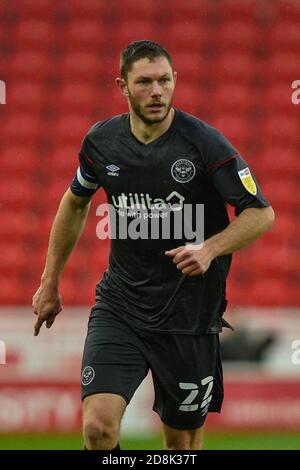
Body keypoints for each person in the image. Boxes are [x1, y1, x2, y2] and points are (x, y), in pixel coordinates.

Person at [32, 40, 275, 450]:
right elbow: (75, 203)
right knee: (97, 429)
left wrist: (209, 249)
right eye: (144, 82)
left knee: (180, 443)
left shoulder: (205, 145)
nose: (157, 91)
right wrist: (49, 281)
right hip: (120, 307)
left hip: (189, 317)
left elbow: (261, 213)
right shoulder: (101, 143)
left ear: (175, 81)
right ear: (122, 86)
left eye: (164, 80)